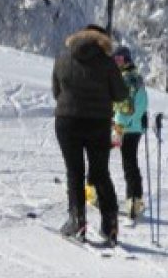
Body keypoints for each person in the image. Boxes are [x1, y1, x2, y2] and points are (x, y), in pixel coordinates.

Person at [52, 24, 127, 244]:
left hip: (67, 121)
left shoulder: (62, 58)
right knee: (100, 173)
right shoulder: (107, 62)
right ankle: (110, 225)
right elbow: (121, 94)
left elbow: (56, 92)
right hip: (97, 123)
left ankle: (77, 222)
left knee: (74, 172)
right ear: (102, 41)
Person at [111, 45, 149, 224]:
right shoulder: (137, 78)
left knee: (125, 164)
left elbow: (120, 106)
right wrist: (139, 118)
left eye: (119, 59)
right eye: (115, 60)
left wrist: (119, 126)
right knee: (131, 164)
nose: (117, 63)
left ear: (126, 59)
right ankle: (136, 199)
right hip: (134, 129)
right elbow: (142, 103)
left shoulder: (124, 79)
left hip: (124, 128)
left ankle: (93, 189)